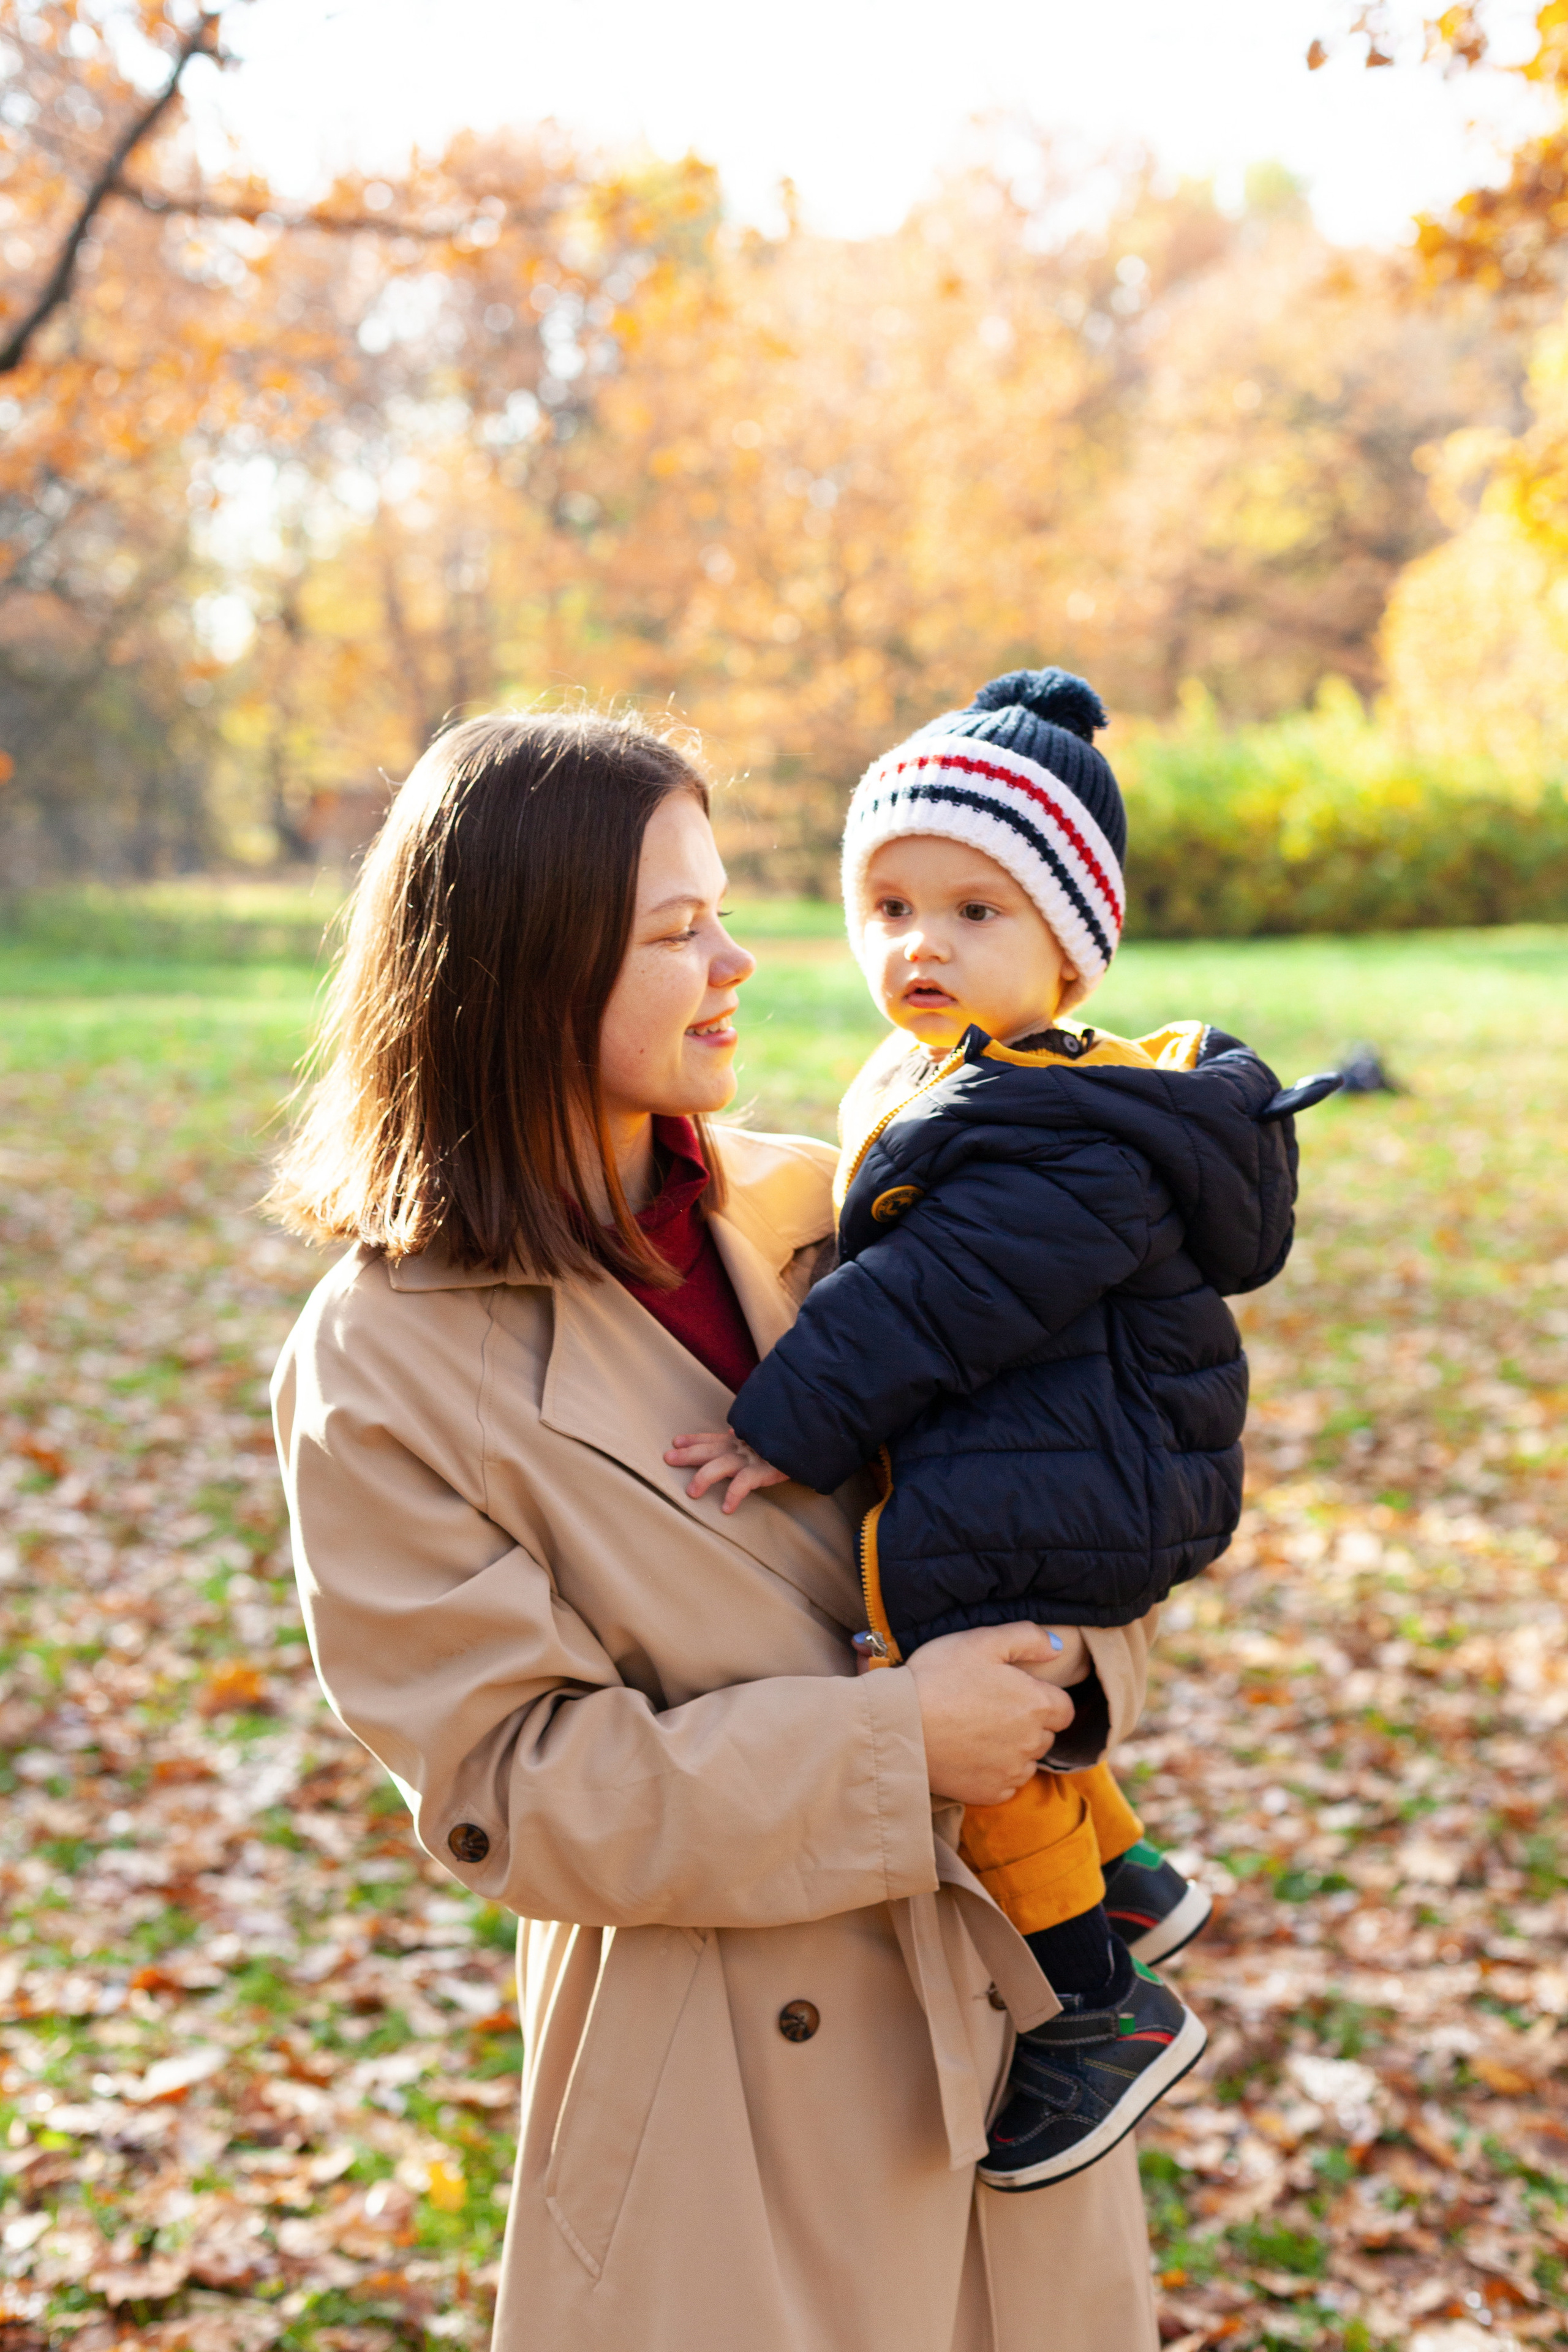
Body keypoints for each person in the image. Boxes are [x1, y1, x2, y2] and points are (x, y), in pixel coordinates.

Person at [266, 706, 1164, 2352]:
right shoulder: (384, 1351)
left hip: (1003, 2042)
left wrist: (1068, 1674)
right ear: (526, 970)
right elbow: (514, 1794)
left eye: (731, 908)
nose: (742, 960)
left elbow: (1075, 1498)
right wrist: (900, 1745)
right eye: (681, 931)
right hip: (723, 2114)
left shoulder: (836, 1198)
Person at [669, 669, 1335, 2192]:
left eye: (976, 914)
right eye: (889, 905)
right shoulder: (953, 1079)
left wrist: (783, 1422)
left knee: (964, 1714)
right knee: (992, 1686)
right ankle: (1127, 1874)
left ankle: (1092, 2016)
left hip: (1077, 1466)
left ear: (1067, 951)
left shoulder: (1059, 1127)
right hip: (1059, 1441)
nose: (922, 944)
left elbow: (933, 1298)